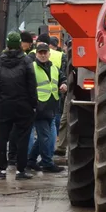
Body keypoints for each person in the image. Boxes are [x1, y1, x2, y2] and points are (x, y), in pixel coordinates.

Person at [0, 32, 37, 180]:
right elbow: (32, 85)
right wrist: (34, 104)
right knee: (23, 138)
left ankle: (1, 170)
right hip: (23, 105)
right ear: (19, 44)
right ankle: (20, 170)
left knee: (2, 137)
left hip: (5, 104)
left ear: (7, 44)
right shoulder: (26, 61)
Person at [28, 42, 66, 173]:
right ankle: (47, 163)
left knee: (44, 136)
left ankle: (31, 160)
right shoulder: (31, 68)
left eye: (45, 53)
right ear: (36, 54)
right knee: (45, 136)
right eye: (41, 53)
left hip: (51, 106)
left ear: (49, 54)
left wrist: (64, 84)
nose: (43, 55)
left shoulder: (54, 67)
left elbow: (62, 78)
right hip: (39, 108)